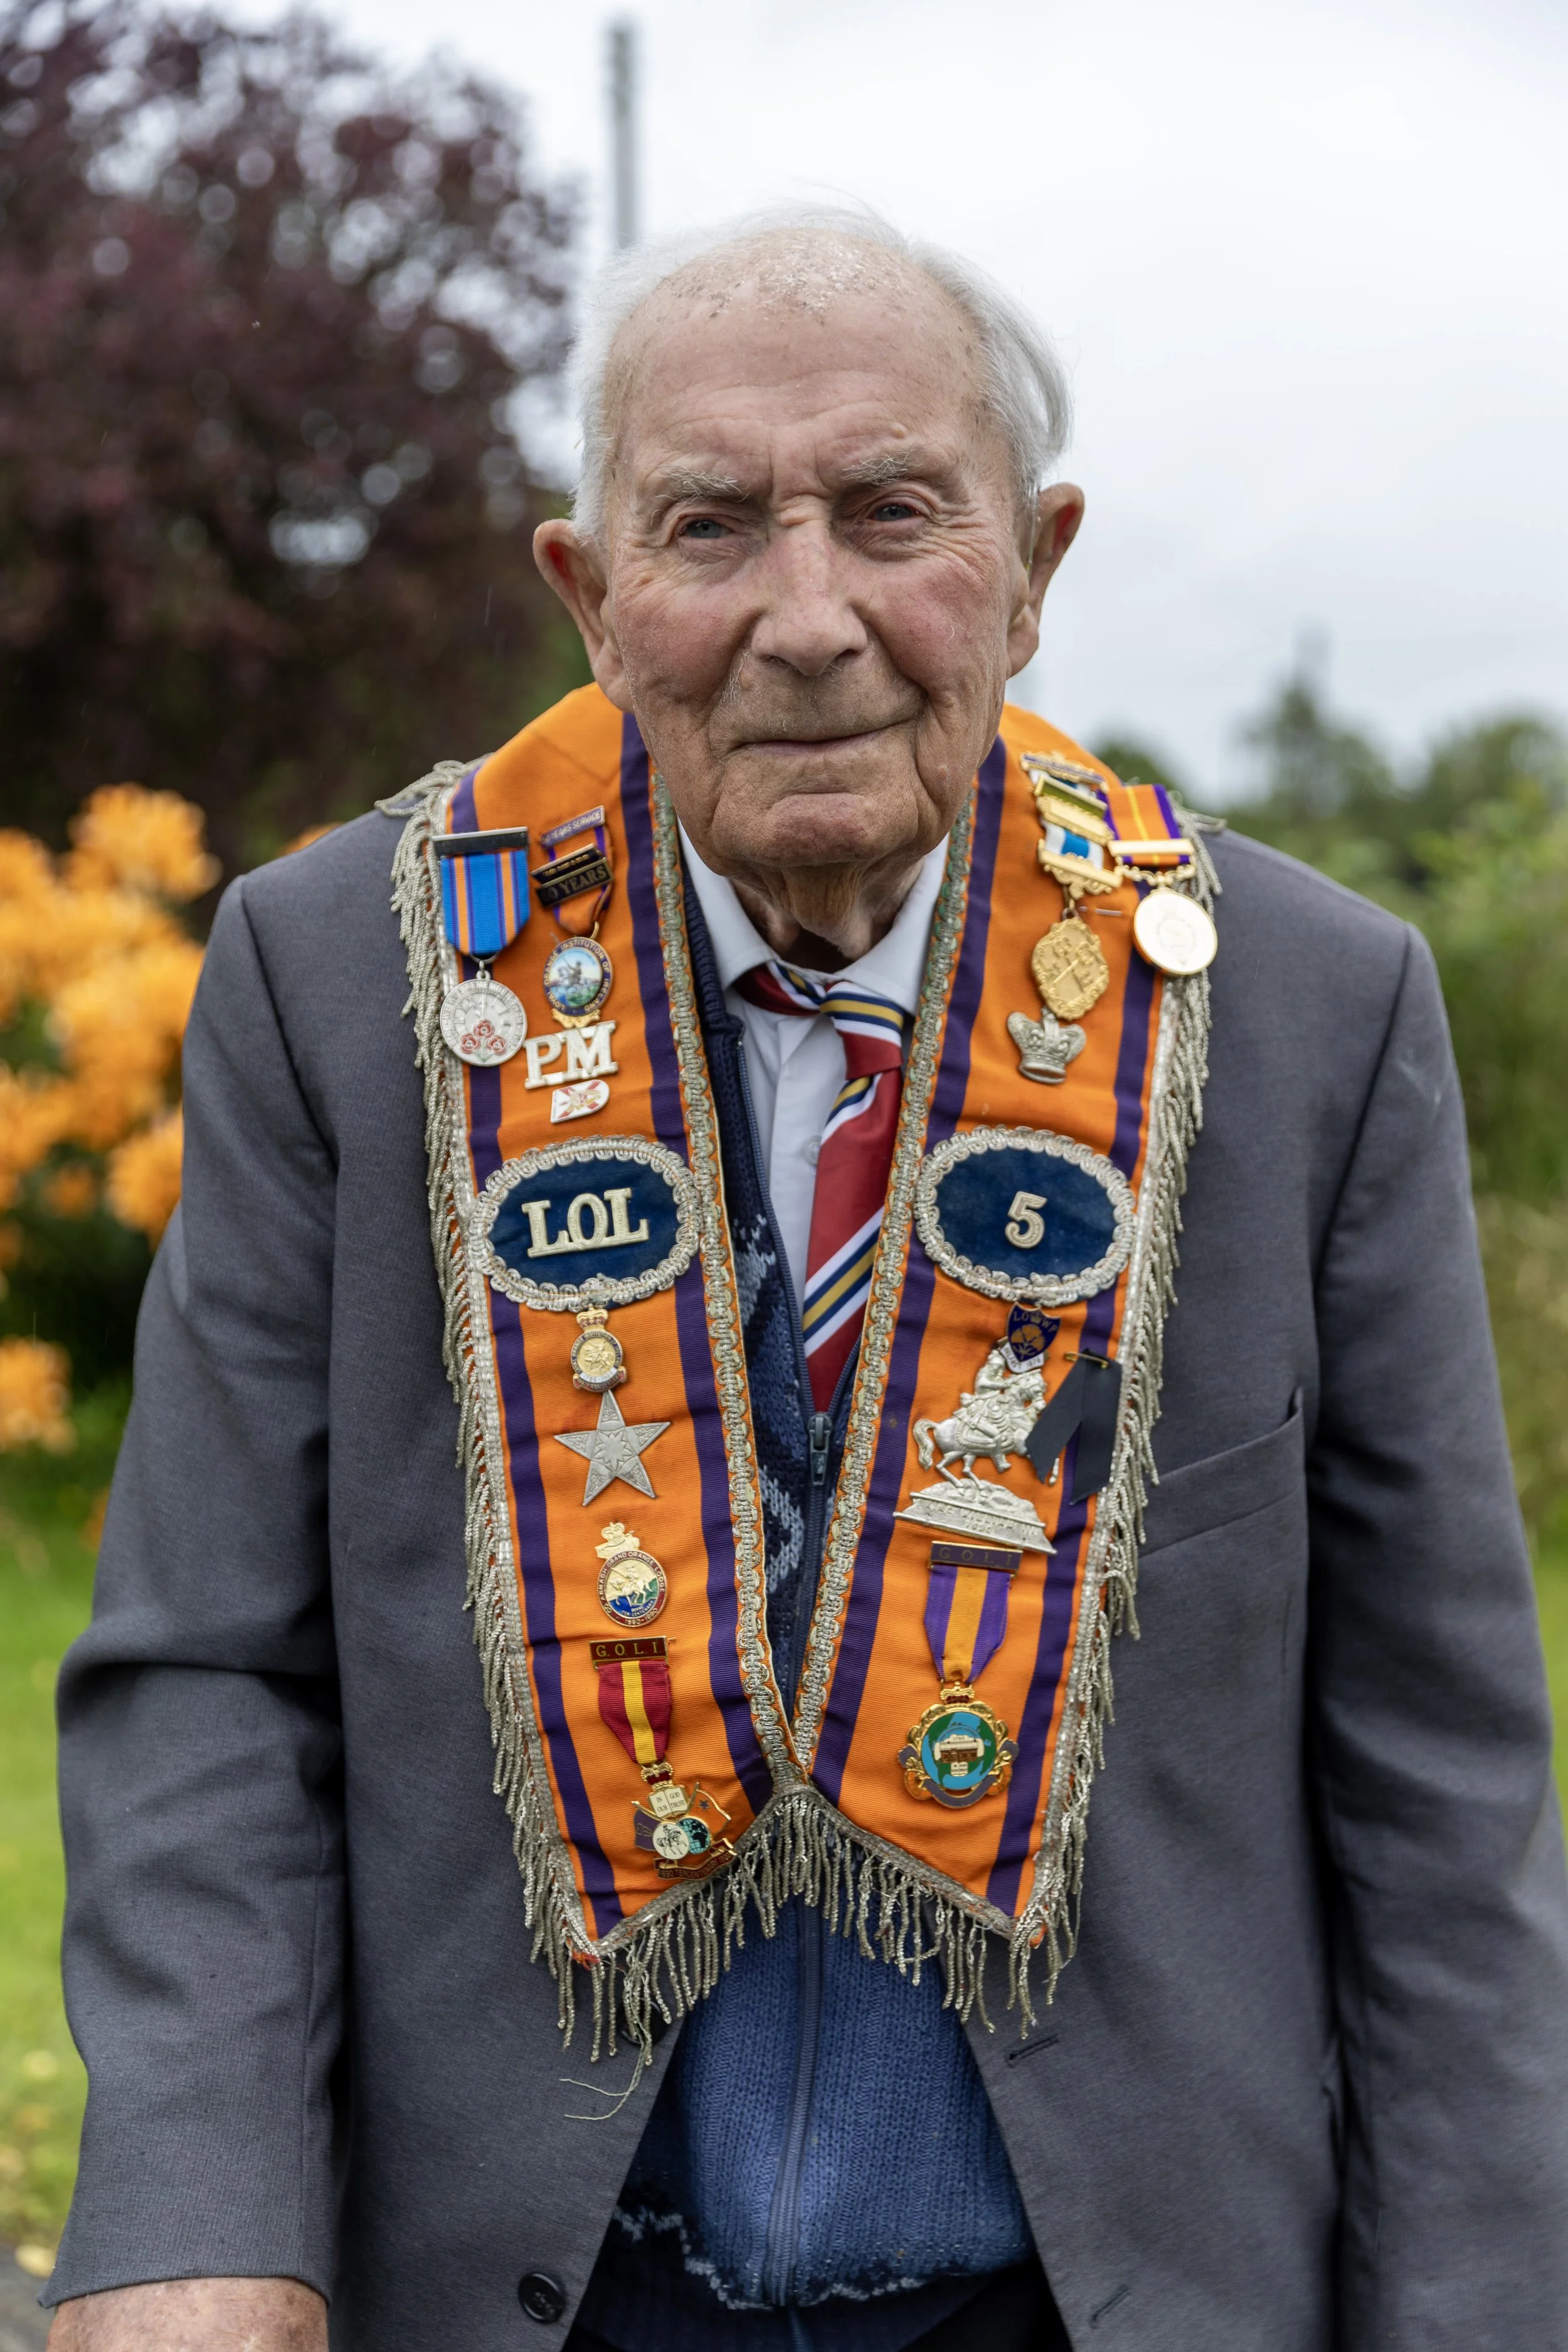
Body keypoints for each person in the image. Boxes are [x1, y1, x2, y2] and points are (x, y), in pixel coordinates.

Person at [43, 209, 1568, 2352]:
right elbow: (210, 1672)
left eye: (891, 512)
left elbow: (1437, 1774)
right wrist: (194, 2214)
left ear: (1032, 568)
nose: (809, 618)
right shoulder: (344, 985)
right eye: (707, 525)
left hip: (1110, 2302)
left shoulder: (1311, 1009)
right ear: (590, 595)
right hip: (531, 2302)